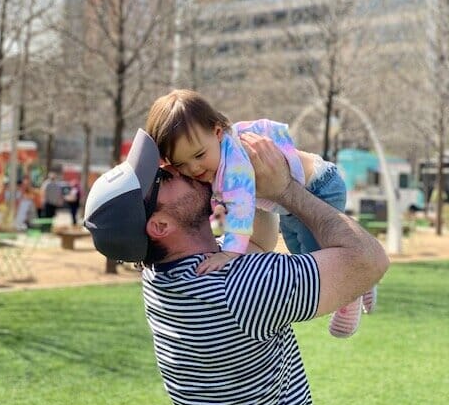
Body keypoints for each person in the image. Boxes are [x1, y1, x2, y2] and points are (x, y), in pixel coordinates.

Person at [83, 128, 389, 405]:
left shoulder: (163, 278)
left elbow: (256, 246)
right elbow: (369, 260)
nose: (174, 168)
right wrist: (286, 190)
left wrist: (246, 176)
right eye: (161, 178)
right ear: (159, 227)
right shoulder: (237, 288)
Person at [145, 88, 374, 338]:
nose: (194, 167)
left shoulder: (234, 163)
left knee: (321, 257)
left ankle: (350, 294)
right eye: (181, 164)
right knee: (298, 248)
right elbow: (220, 201)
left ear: (218, 133)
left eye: (199, 155)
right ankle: (365, 280)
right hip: (289, 208)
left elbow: (241, 205)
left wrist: (229, 252)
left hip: (320, 187)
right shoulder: (211, 159)